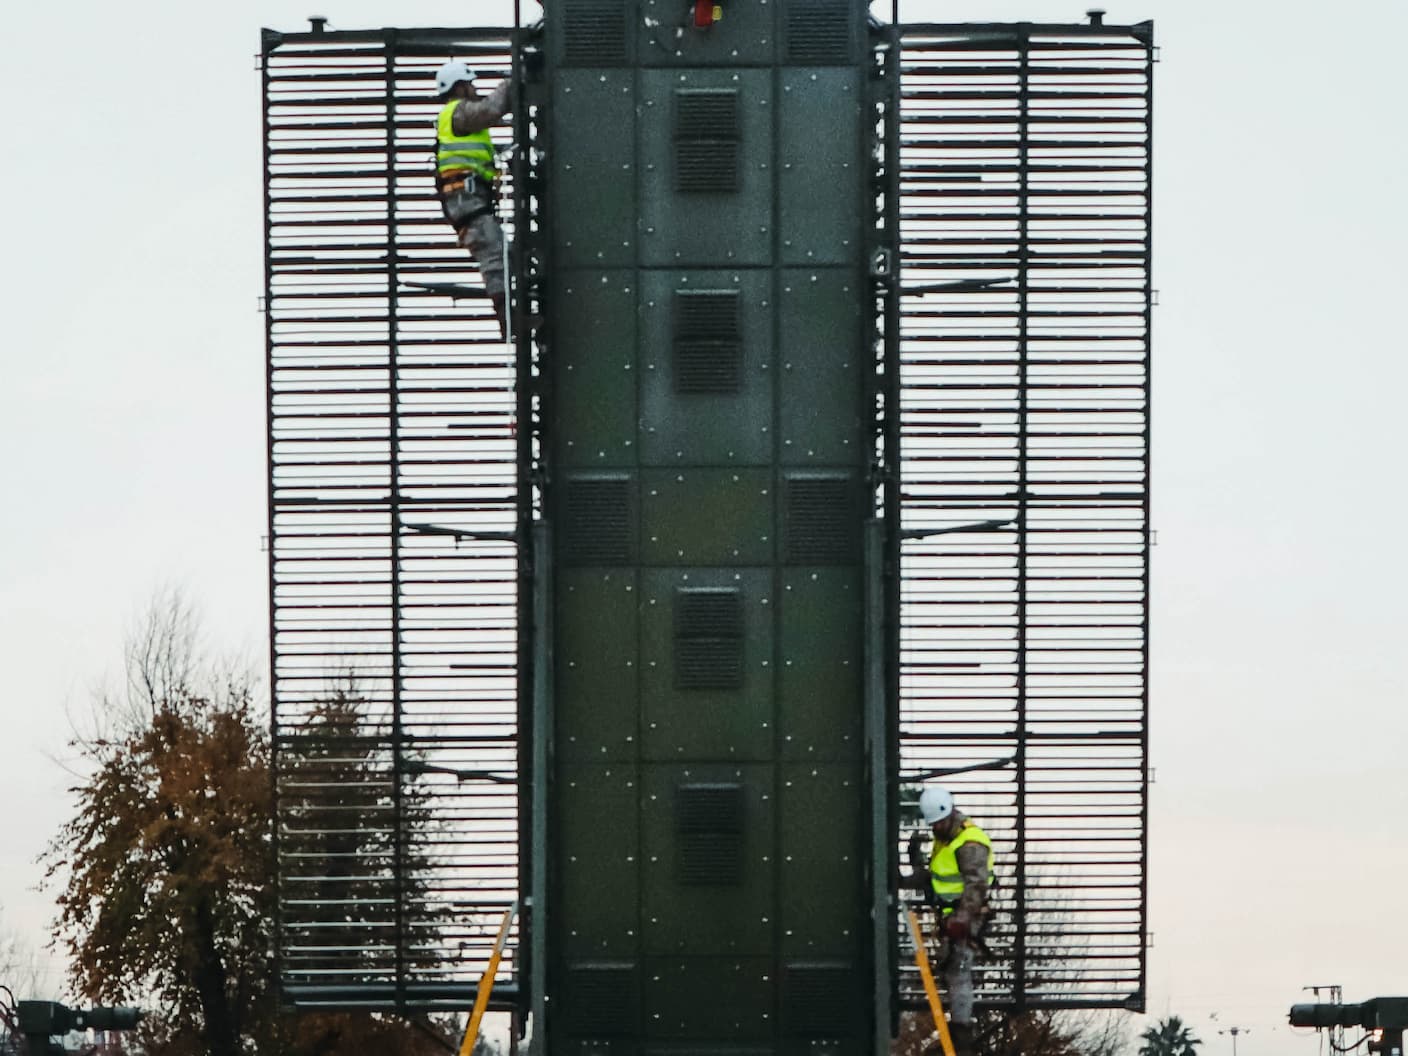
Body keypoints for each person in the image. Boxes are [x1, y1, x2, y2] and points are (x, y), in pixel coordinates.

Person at [906, 784, 995, 1056]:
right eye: (932, 824)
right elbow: (938, 878)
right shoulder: (944, 837)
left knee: (959, 971)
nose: (935, 828)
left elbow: (976, 886)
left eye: (938, 823)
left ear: (949, 814)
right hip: (951, 916)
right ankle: (955, 1033)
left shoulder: (969, 843)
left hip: (968, 916)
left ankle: (962, 1040)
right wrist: (914, 866)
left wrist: (962, 919)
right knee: (950, 971)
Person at [434, 61, 512, 337]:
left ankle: (510, 312)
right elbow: (491, 109)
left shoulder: (458, 118)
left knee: (501, 250)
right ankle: (508, 317)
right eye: (470, 84)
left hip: (468, 198)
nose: (474, 89)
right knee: (493, 251)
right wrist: (514, 81)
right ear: (459, 87)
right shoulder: (459, 113)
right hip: (466, 199)